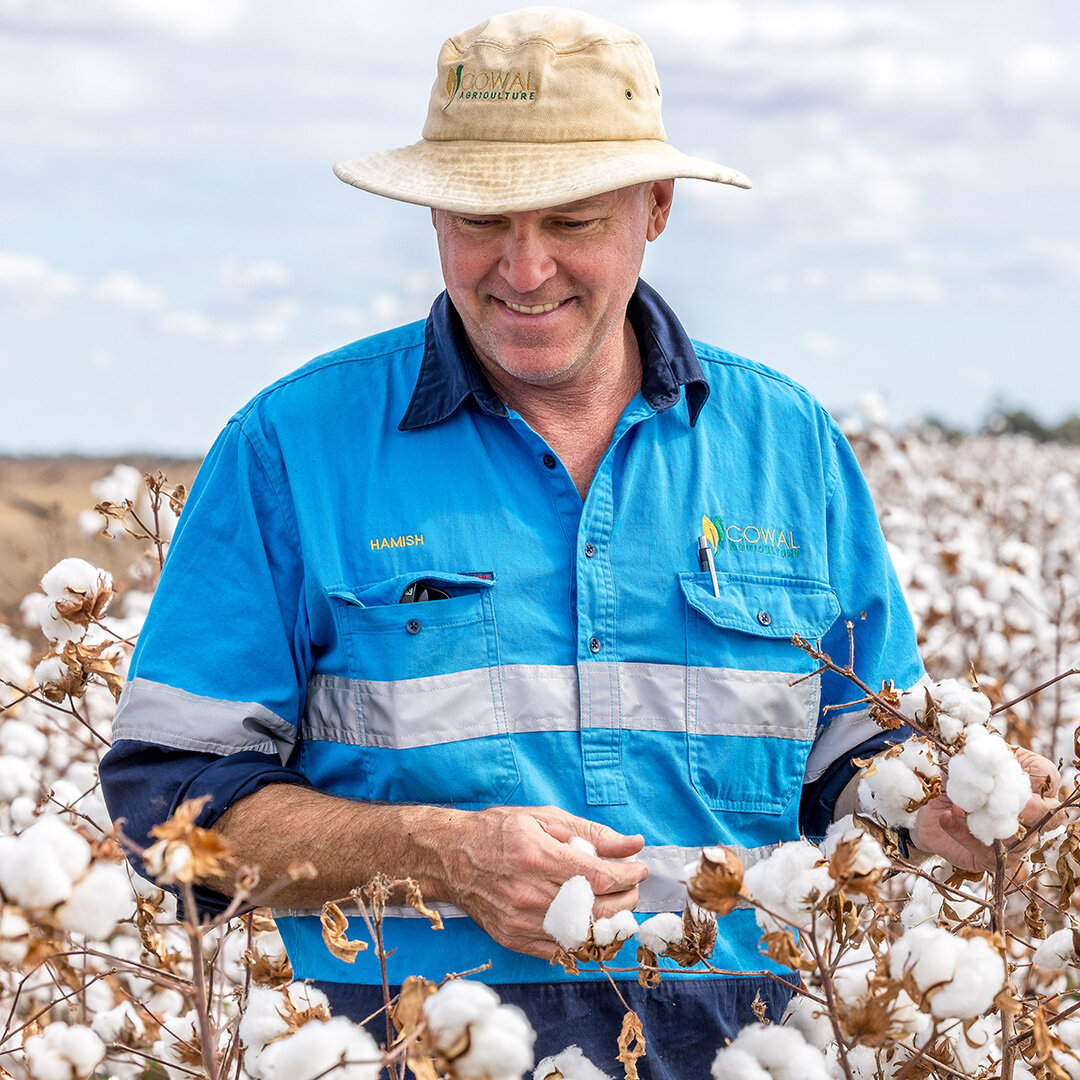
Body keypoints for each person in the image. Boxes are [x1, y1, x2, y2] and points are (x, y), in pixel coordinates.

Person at [99, 8, 1060, 1077]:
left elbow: (851, 761)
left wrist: (933, 804)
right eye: (481, 221)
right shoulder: (290, 449)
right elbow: (167, 814)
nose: (521, 267)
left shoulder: (788, 446)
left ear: (656, 209)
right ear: (431, 218)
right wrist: (440, 857)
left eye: (570, 220)